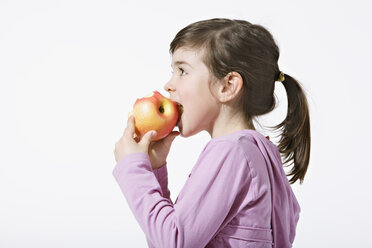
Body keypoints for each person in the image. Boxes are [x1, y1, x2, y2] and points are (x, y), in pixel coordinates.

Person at [113, 18, 311, 248]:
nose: (169, 84)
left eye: (182, 71)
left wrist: (133, 168)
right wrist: (155, 170)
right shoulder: (260, 151)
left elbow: (174, 242)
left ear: (227, 86)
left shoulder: (231, 151)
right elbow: (168, 238)